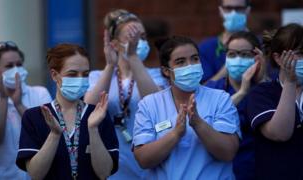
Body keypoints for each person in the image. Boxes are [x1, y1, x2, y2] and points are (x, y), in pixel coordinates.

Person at [133, 36, 240, 179]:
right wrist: (175, 134)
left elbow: (228, 152)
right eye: (180, 62)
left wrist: (198, 124)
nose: (190, 65)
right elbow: (143, 160)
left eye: (195, 59)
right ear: (166, 71)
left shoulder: (220, 99)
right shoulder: (149, 105)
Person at [16, 44, 119, 180]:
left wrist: (93, 130)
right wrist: (54, 135)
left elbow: (104, 172)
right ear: (54, 75)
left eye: (85, 74)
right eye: (72, 74)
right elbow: (35, 174)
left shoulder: (99, 114)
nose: (80, 79)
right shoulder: (35, 116)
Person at [85, 9, 164, 180]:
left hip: (149, 163)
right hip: (115, 164)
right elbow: (89, 108)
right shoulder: (98, 76)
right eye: (132, 38)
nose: (138, 42)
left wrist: (133, 56)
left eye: (142, 37)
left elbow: (156, 102)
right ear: (114, 44)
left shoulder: (157, 74)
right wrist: (109, 66)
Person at [0, 41, 52, 179]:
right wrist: (3, 98)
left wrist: (19, 104)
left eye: (19, 64)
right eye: (9, 66)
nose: (16, 70)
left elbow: (48, 133)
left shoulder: (39, 93)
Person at [206, 31, 267, 180]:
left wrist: (262, 81)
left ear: (257, 58)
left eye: (245, 54)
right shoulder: (213, 89)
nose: (238, 59)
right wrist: (242, 92)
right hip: (221, 170)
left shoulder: (266, 88)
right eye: (232, 54)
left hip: (258, 169)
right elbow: (206, 122)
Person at [246, 23, 303, 180]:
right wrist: (290, 83)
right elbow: (280, 133)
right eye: (298, 53)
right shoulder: (262, 93)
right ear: (278, 58)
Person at [199, 0, 251, 82]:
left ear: (247, 10)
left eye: (239, 8)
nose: (233, 13)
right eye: (228, 8)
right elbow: (202, 90)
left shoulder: (261, 46)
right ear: (221, 11)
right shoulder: (206, 48)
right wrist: (229, 67)